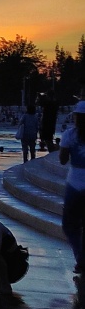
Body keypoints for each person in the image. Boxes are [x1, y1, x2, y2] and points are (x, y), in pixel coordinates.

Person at [59, 101, 85, 276]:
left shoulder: (69, 135)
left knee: (70, 225)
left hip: (74, 183)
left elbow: (62, 160)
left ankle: (80, 258)